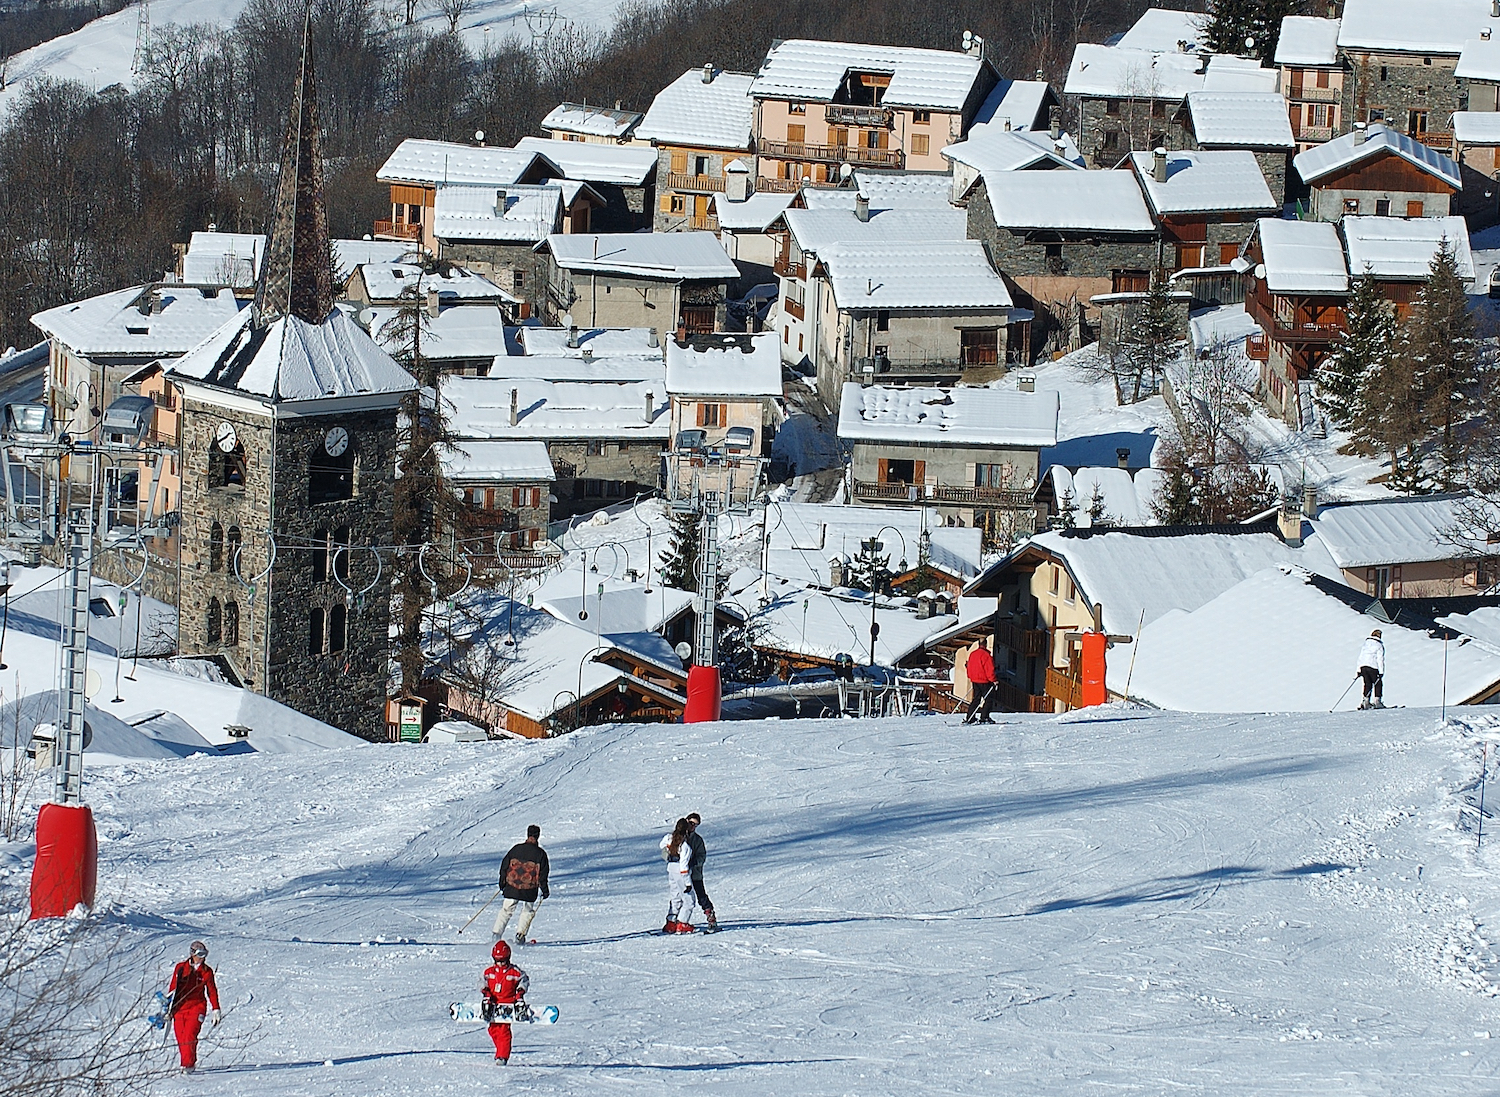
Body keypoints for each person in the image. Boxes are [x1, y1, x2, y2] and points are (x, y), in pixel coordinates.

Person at [166, 940, 221, 1074]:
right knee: (180, 1036)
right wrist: (168, 1008)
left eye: (204, 954)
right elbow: (173, 989)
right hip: (180, 1007)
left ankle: (188, 1065)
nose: (202, 958)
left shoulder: (207, 971)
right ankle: (186, 1062)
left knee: (190, 1035)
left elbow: (212, 991)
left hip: (197, 1006)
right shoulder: (180, 968)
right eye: (199, 954)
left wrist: (216, 1008)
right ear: (192, 954)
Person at [493, 825, 549, 945]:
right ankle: (520, 935)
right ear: (538, 836)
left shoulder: (516, 849)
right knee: (527, 911)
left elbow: (505, 865)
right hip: (529, 889)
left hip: (511, 886)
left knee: (506, 910)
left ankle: (496, 934)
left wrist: (502, 881)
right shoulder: (541, 854)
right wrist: (545, 890)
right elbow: (543, 875)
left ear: (527, 834)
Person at [482, 939, 530, 1065]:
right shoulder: (489, 972)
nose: (500, 964)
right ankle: (499, 1051)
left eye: (503, 961)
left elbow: (524, 980)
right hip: (494, 1003)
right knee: (493, 1029)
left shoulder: (515, 972)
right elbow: (482, 981)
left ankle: (502, 1056)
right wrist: (486, 993)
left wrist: (520, 993)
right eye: (497, 961)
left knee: (503, 1030)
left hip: (508, 1004)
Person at [660, 817, 697, 933]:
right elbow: (684, 866)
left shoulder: (669, 838)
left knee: (675, 896)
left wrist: (668, 848)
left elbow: (661, 845)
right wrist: (687, 883)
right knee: (689, 899)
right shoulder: (685, 846)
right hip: (680, 872)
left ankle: (671, 922)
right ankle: (682, 923)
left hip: (671, 869)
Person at [685, 813, 717, 932]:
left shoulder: (697, 840)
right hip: (680, 874)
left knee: (701, 896)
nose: (693, 827)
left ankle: (711, 918)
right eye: (691, 823)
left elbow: (702, 856)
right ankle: (676, 921)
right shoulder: (678, 836)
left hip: (695, 874)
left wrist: (694, 862)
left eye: (695, 825)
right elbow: (666, 849)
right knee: (678, 897)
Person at [963, 639, 997, 724]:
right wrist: (994, 680)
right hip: (984, 680)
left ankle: (970, 717)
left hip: (975, 680)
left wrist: (970, 676)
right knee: (988, 699)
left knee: (976, 699)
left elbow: (969, 666)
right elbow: (989, 669)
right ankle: (984, 717)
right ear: (985, 644)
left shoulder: (973, 654)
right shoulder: (986, 655)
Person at [1358, 628, 1386, 709]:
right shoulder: (1379, 645)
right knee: (1378, 683)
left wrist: (1358, 670)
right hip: (1373, 667)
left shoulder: (1366, 644)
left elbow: (1361, 657)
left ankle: (1365, 702)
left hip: (1363, 666)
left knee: (1367, 684)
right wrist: (1381, 671)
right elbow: (1380, 659)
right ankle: (1377, 701)